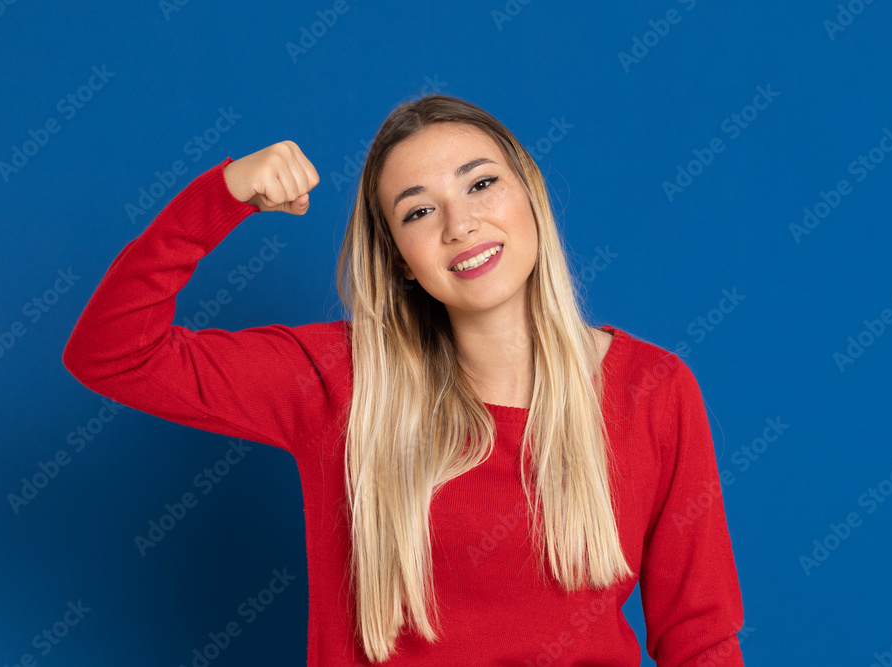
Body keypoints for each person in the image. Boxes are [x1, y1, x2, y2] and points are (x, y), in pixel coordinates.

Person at [63, 94, 745, 665]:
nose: (461, 223)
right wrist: (222, 195)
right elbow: (113, 352)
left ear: (530, 194)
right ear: (400, 260)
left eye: (481, 183)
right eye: (419, 211)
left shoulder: (652, 389)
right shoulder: (339, 382)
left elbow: (701, 637)